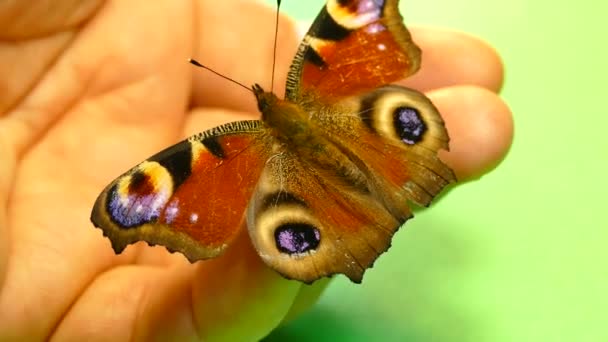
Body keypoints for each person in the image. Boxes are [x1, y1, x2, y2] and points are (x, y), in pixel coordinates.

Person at [0, 0, 513, 340]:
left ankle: (367, 208)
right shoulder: (307, 73)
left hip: (317, 167)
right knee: (386, 122)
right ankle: (391, 176)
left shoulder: (224, 149)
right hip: (359, 129)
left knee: (283, 224)